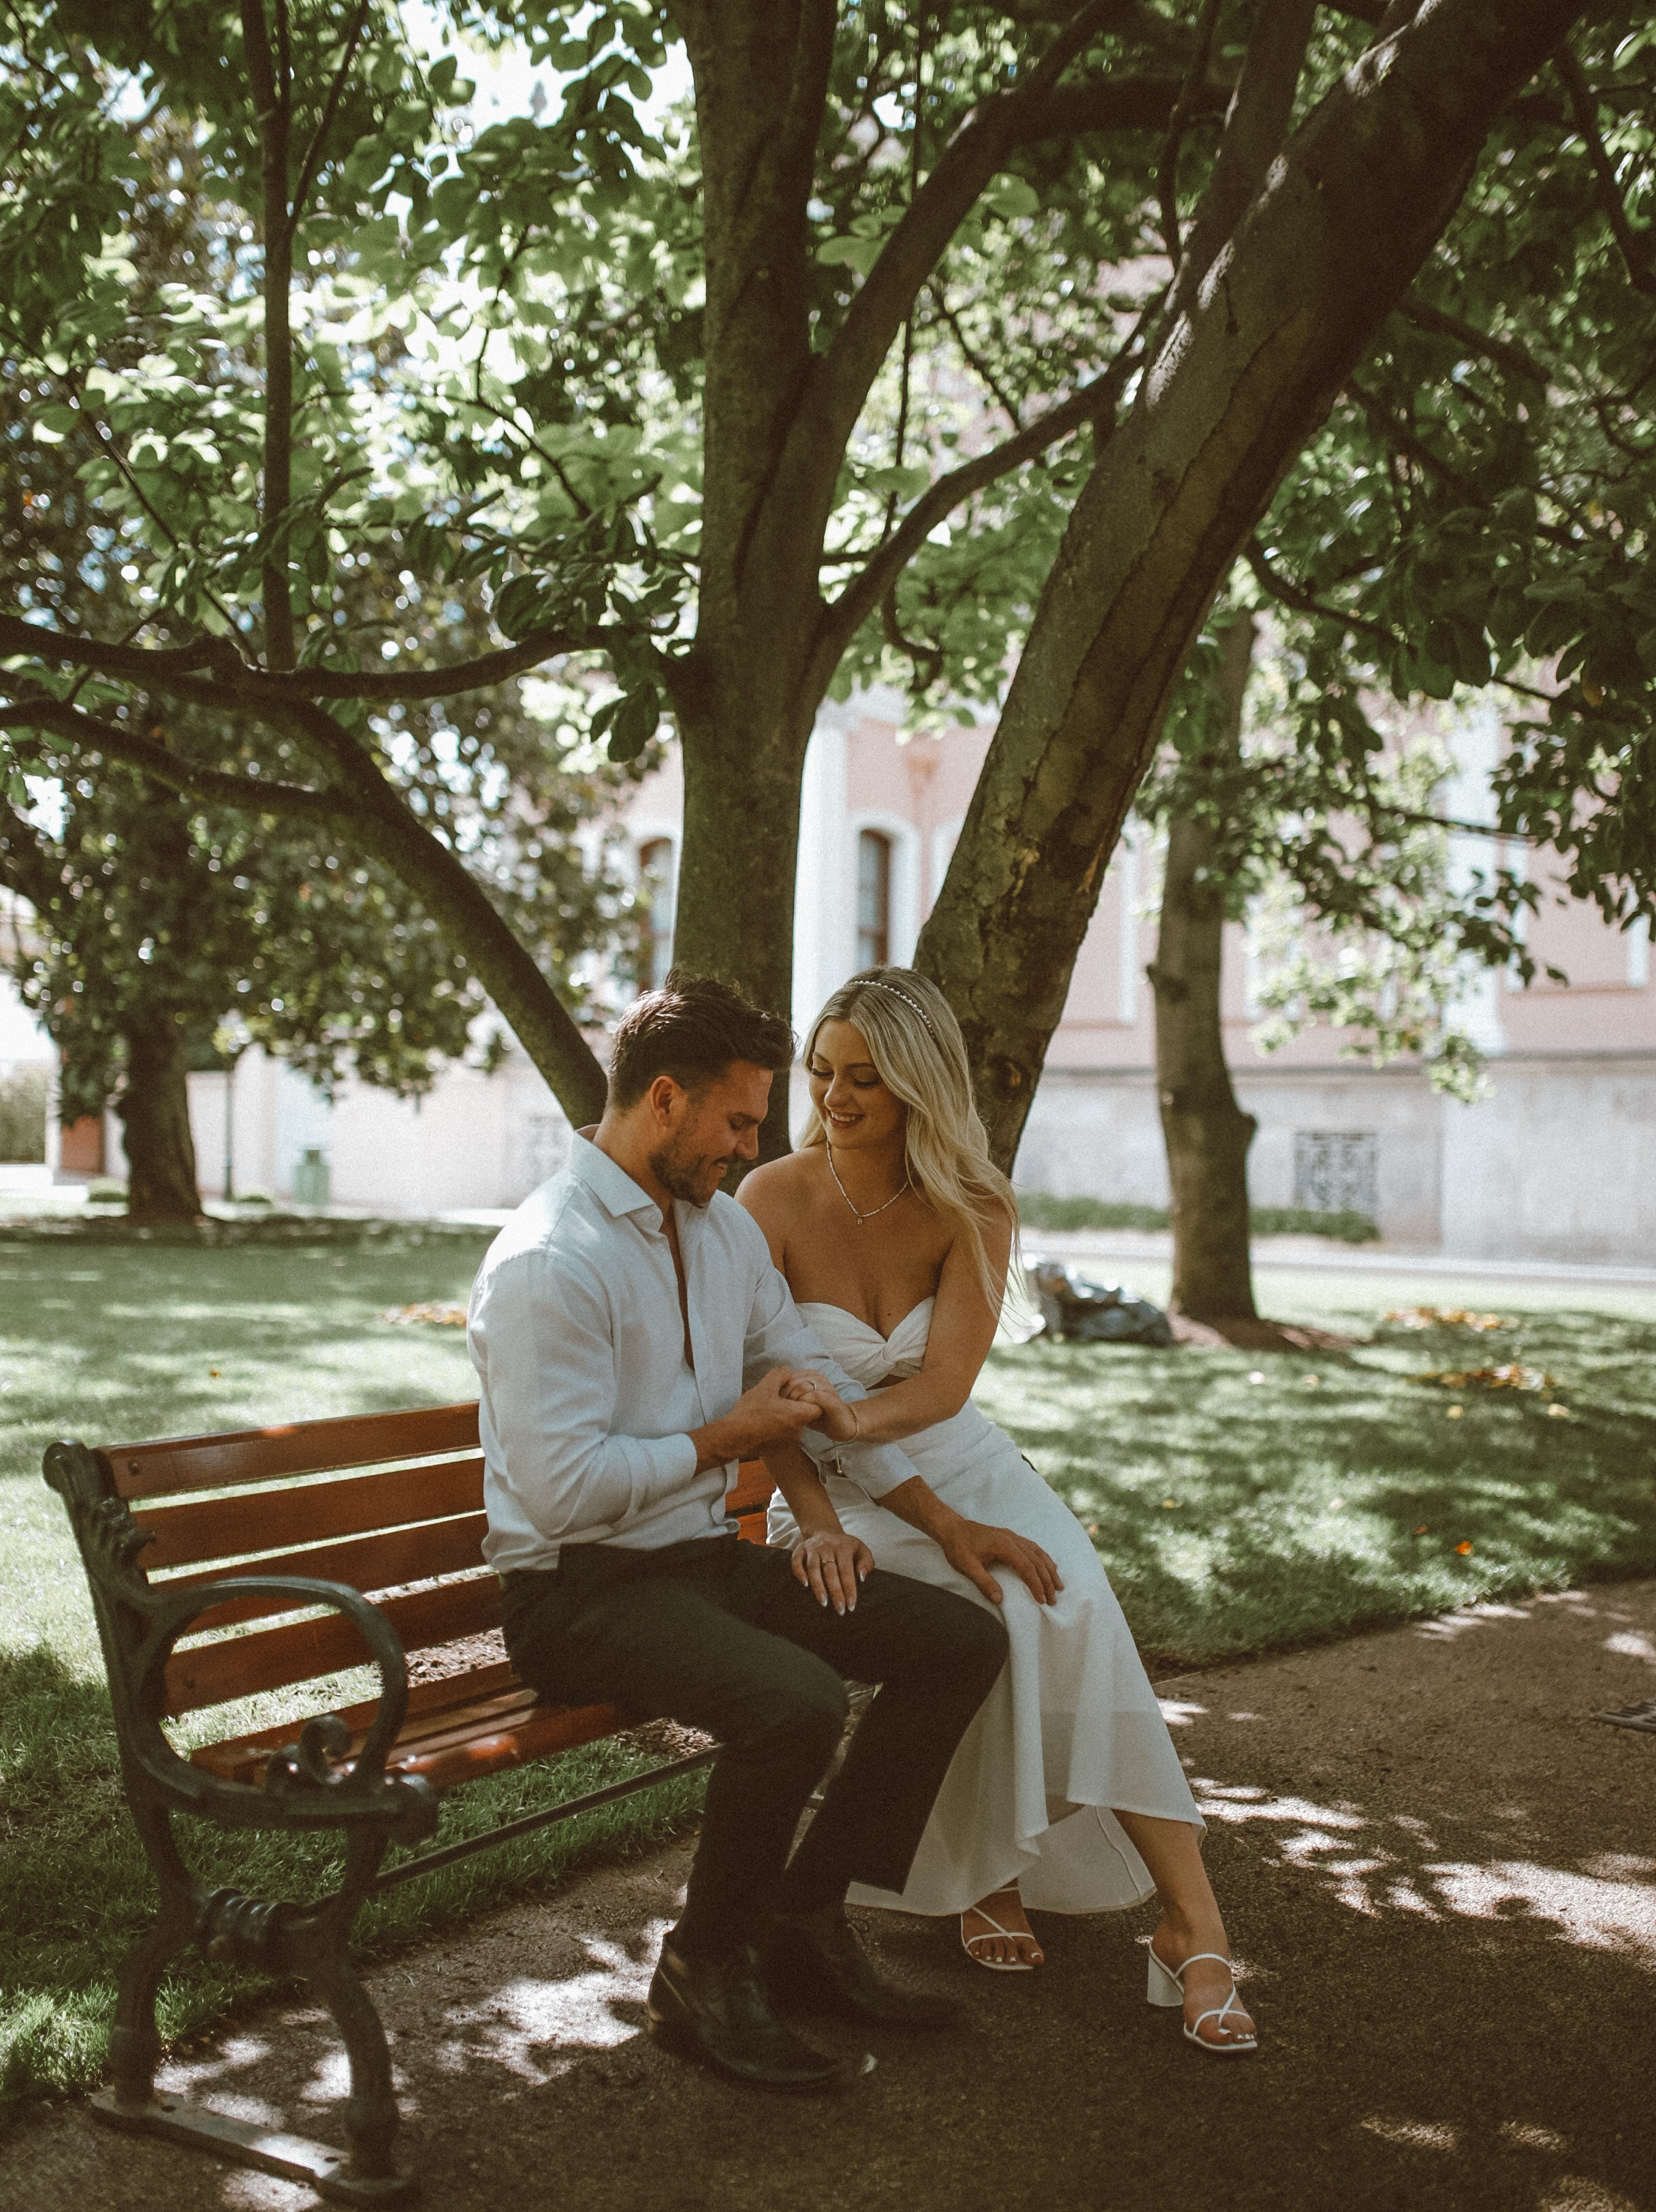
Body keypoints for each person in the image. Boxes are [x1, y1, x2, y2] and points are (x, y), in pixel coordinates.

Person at [467, 970, 1010, 2093]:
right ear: (665, 1099)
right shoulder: (550, 1260)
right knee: (796, 1701)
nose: (753, 1146)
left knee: (957, 1640)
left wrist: (932, 1520)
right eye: (737, 1121)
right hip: (578, 1593)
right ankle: (702, 1972)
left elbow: (802, 1392)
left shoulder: (718, 1235)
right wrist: (723, 1441)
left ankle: (803, 1922)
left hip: (700, 1564)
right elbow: (562, 1496)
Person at [737, 966, 1258, 2055]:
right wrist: (819, 1501)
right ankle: (988, 1872)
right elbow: (766, 1403)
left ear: (920, 1084)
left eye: (865, 1078)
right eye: (823, 1072)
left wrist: (847, 1413)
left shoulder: (974, 1203)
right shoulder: (770, 1199)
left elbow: (941, 1388)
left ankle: (1192, 1923)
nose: (835, 1096)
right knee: (985, 1617)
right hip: (836, 1500)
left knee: (1073, 1607)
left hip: (967, 1465)